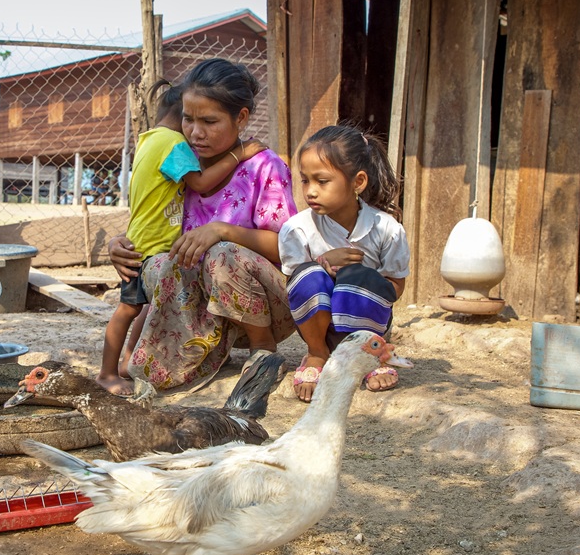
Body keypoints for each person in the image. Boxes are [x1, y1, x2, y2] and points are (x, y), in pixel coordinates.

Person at [108, 58, 298, 391]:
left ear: (241, 118)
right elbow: (156, 221)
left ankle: (263, 348)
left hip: (268, 304)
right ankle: (185, 357)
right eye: (188, 119)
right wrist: (120, 243)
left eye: (210, 121)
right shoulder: (181, 162)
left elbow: (289, 247)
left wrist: (222, 231)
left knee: (221, 253)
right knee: (160, 263)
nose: (196, 132)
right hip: (205, 310)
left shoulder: (265, 166)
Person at [278, 124, 410, 403]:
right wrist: (322, 264)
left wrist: (356, 282)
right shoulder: (296, 229)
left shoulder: (387, 229)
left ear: (358, 182)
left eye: (322, 181)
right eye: (304, 180)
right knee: (308, 275)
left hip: (368, 327)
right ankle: (317, 355)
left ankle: (367, 357)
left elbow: (396, 286)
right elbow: (294, 288)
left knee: (359, 277)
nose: (310, 191)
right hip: (318, 330)